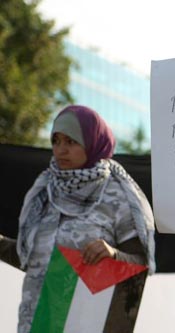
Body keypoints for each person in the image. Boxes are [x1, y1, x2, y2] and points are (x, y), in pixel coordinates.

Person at [0, 105, 156, 333]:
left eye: (71, 142)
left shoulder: (117, 195)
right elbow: (35, 259)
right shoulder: (44, 192)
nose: (61, 150)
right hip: (37, 323)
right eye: (56, 141)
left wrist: (113, 255)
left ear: (94, 142)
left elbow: (140, 264)